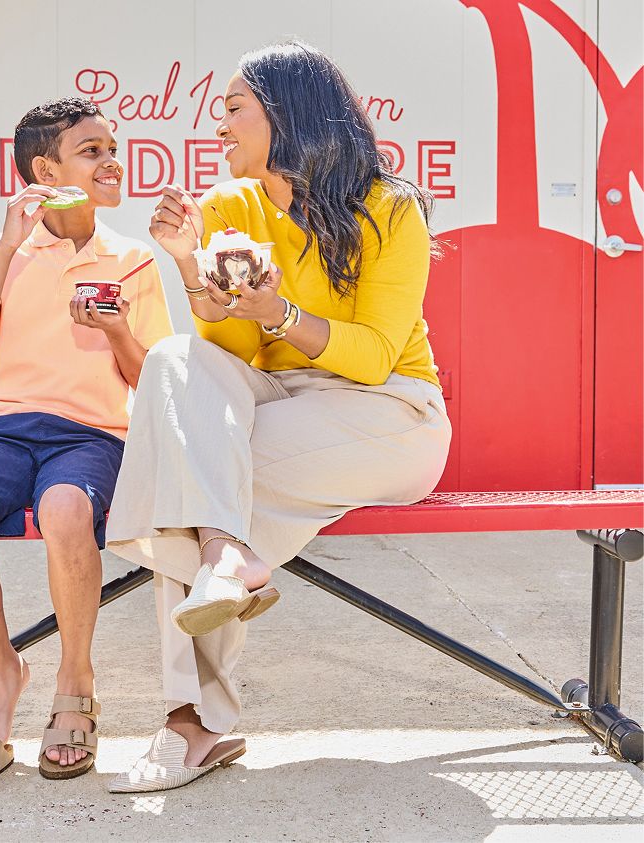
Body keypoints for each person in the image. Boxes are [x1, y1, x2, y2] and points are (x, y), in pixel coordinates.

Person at [104, 42, 452, 793]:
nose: (217, 125)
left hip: (386, 413)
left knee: (189, 477)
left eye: (232, 109)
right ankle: (226, 557)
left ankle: (189, 721)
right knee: (173, 364)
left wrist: (280, 312)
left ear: (285, 114)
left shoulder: (389, 206)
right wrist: (186, 266)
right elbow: (224, 349)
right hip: (282, 403)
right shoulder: (227, 205)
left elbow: (371, 355)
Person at [0, 97, 173, 799]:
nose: (111, 162)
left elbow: (148, 378)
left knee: (65, 510)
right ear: (46, 169)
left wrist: (119, 330)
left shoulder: (132, 258)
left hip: (92, 433)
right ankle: (5, 675)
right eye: (91, 151)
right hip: (5, 429)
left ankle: (74, 680)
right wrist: (8, 244)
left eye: (110, 148)